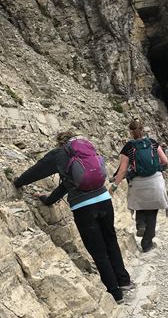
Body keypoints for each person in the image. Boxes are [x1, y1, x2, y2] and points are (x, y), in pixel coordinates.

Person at [14, 130, 133, 304]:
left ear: (59, 142)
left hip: (84, 207)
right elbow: (65, 186)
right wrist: (48, 199)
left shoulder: (59, 154)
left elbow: (36, 171)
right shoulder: (87, 149)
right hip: (104, 200)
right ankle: (124, 281)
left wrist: (18, 182)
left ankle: (115, 294)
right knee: (111, 241)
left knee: (98, 250)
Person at [110, 120, 168, 252]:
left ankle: (140, 224)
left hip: (138, 183)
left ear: (131, 132)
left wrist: (113, 188)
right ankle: (147, 244)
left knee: (140, 205)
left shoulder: (128, 147)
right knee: (152, 212)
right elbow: (165, 161)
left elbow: (122, 171)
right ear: (143, 130)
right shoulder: (153, 143)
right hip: (155, 182)